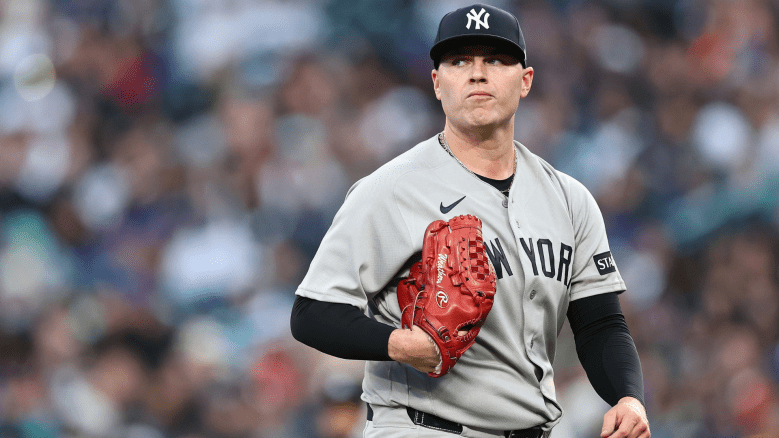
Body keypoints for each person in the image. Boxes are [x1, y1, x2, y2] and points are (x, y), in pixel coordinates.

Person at [291, 4, 650, 438]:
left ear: (525, 81)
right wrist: (401, 344)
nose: (477, 74)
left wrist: (627, 397)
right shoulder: (389, 190)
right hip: (422, 427)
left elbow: (600, 324)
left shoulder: (569, 199)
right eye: (459, 61)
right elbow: (312, 313)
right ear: (437, 83)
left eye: (495, 60)